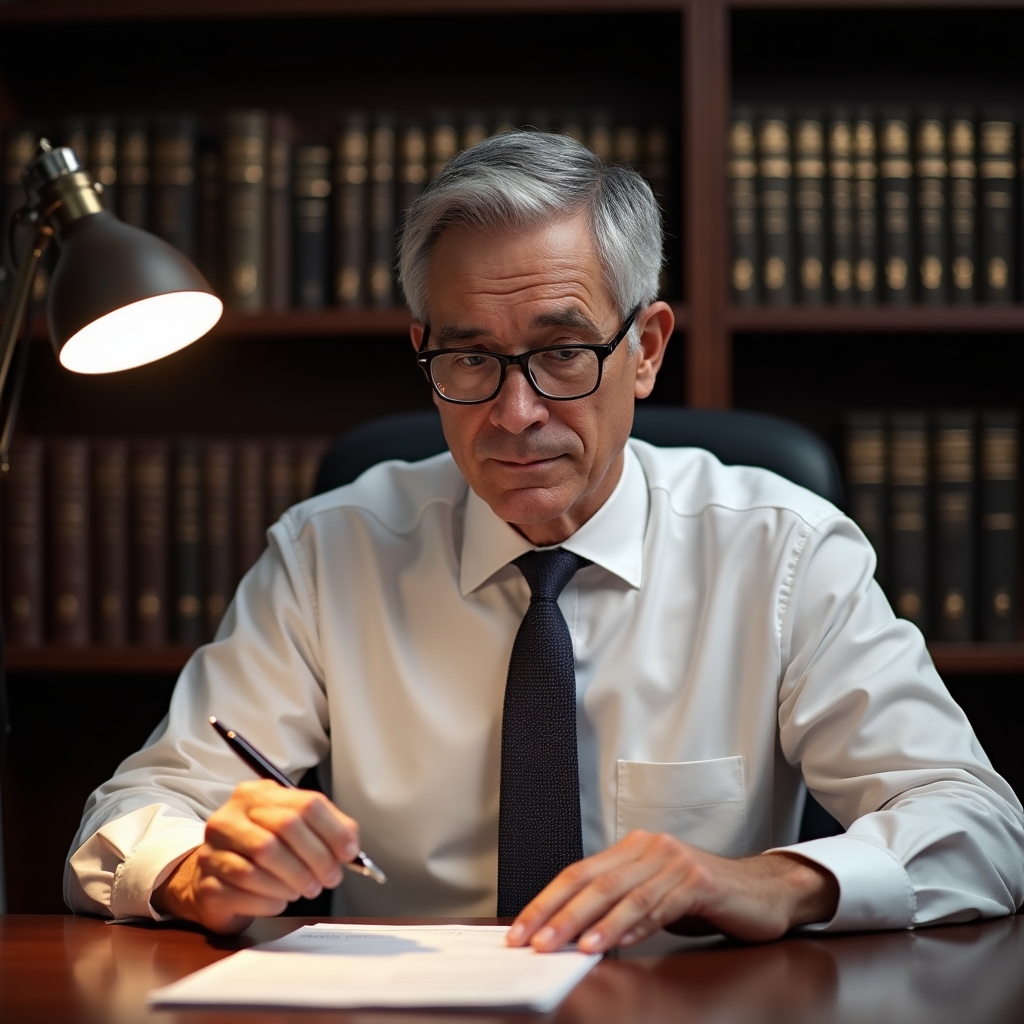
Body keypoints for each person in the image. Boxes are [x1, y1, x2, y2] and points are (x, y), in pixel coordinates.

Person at [67, 131, 1024, 953]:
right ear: (423, 354)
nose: (515, 414)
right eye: (470, 357)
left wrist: (773, 883)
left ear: (645, 349)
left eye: (562, 351)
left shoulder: (785, 550)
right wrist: (198, 872)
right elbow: (125, 821)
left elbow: (979, 827)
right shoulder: (331, 554)